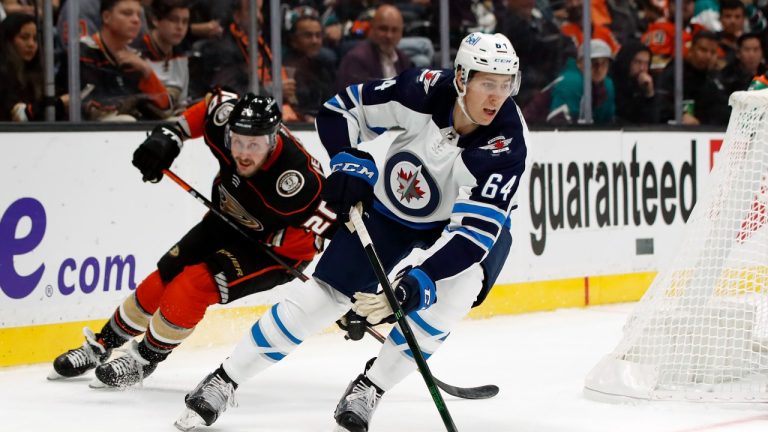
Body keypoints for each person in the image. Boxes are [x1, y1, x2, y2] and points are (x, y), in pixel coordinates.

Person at [174, 32, 527, 432]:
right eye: (487, 83)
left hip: (459, 229)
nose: (497, 97)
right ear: (462, 78)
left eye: (505, 84)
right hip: (392, 210)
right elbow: (342, 109)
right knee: (322, 297)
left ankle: (370, 387)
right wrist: (348, 161)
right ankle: (224, 378)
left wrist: (418, 282)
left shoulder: (508, 144)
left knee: (453, 295)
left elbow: (474, 237)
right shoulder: (421, 90)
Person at [48, 89, 336, 388]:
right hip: (227, 218)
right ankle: (102, 344)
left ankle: (143, 359)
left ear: (274, 137)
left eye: (255, 145)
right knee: (163, 277)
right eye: (238, 142)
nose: (244, 153)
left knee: (193, 285)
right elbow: (207, 107)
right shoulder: (224, 118)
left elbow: (326, 232)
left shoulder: (298, 179)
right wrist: (170, 135)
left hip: (273, 249)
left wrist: (344, 285)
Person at [78, 0, 171, 121]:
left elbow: (166, 108)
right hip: (89, 131)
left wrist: (147, 70)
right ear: (106, 17)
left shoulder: (137, 58)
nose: (136, 20)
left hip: (132, 127)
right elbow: (88, 104)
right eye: (127, 13)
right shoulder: (84, 51)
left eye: (138, 14)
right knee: (126, 120)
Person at [0, 12, 66, 121]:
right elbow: (17, 117)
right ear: (8, 40)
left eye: (35, 39)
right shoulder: (3, 76)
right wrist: (59, 104)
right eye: (24, 38)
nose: (31, 44)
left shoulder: (38, 74)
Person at [335, 4, 412, 91]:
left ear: (401, 33)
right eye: (383, 29)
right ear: (372, 29)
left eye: (394, 30)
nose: (389, 35)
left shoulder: (403, 59)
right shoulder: (357, 59)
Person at [137, 0, 191, 113]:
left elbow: (182, 103)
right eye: (173, 20)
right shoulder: (137, 54)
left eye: (185, 22)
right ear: (155, 20)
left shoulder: (181, 56)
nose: (180, 27)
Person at [548, 38, 616, 124]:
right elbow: (559, 126)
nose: (599, 69)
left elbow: (607, 122)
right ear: (579, 63)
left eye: (604, 63)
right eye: (593, 62)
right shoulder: (571, 82)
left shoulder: (607, 85)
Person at [611, 40, 659, 124]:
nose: (642, 68)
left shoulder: (647, 82)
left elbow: (653, 121)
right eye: (637, 62)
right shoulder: (612, 81)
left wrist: (649, 94)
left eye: (646, 63)